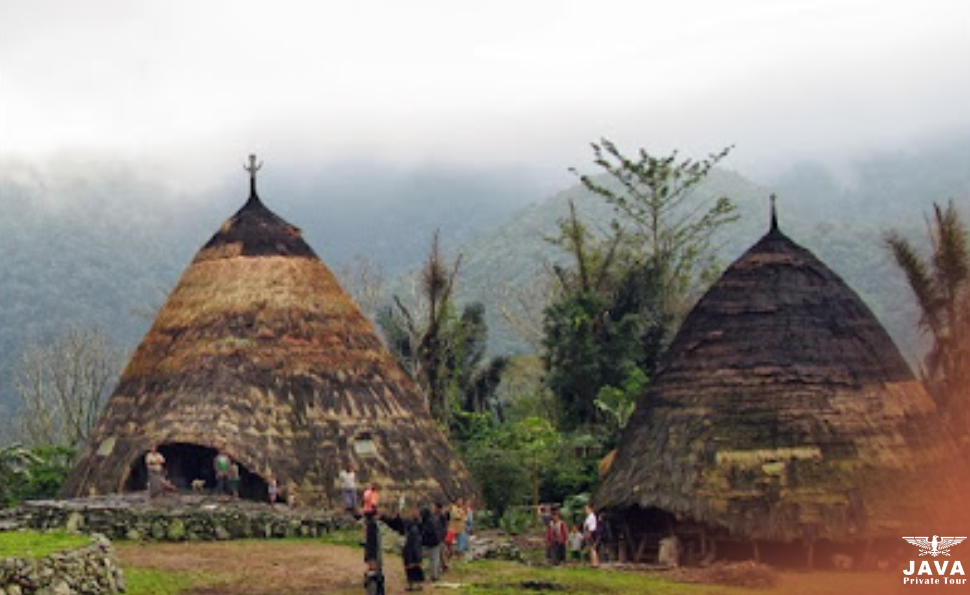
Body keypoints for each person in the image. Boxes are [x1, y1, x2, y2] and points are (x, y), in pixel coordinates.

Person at [363, 510, 385, 595]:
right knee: (374, 578)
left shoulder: (373, 525)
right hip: (374, 557)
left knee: (375, 578)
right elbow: (371, 545)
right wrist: (371, 559)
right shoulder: (372, 526)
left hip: (375, 557)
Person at [402, 511, 425, 591]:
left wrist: (415, 557)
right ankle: (416, 585)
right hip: (413, 554)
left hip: (411, 555)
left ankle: (414, 586)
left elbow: (413, 546)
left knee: (412, 571)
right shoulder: (415, 530)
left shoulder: (412, 532)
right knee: (415, 570)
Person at [420, 506, 444, 582]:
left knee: (432, 560)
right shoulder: (434, 519)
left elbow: (424, 533)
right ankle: (434, 576)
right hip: (434, 542)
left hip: (429, 543)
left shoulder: (425, 522)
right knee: (434, 560)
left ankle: (433, 575)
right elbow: (438, 531)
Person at [447, 497, 467, 563]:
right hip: (452, 529)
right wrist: (463, 514)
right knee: (449, 543)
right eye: (459, 501)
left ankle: (460, 556)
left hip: (461, 529)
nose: (460, 502)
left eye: (461, 501)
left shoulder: (462, 509)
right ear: (456, 501)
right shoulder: (453, 508)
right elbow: (456, 516)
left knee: (461, 543)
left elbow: (465, 518)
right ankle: (449, 555)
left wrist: (462, 514)